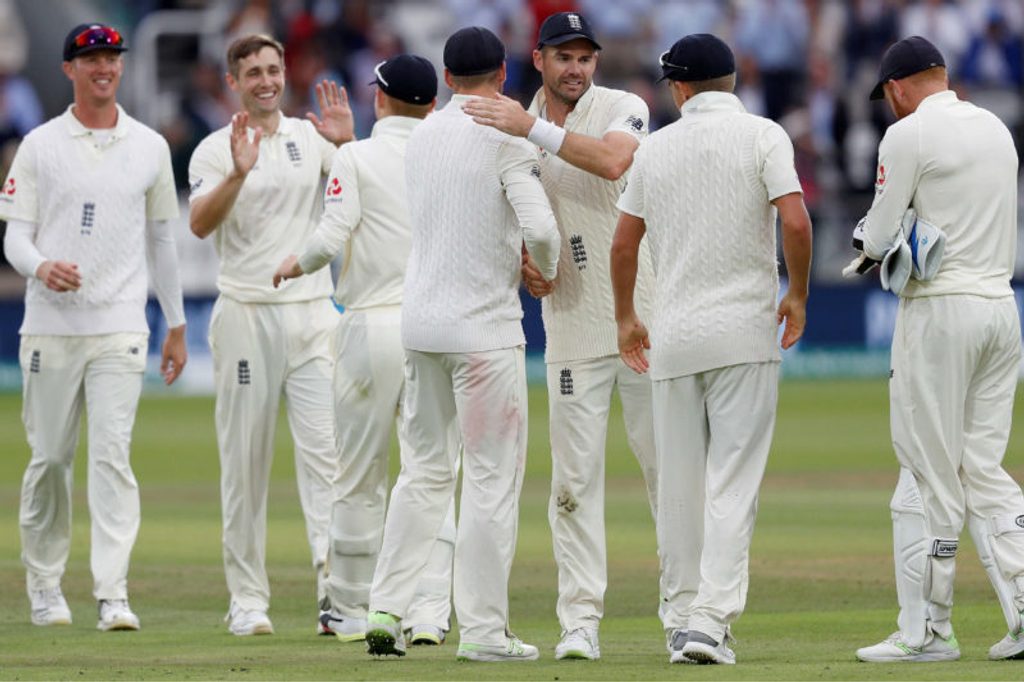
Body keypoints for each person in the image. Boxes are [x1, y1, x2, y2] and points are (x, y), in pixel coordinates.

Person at [611, 33, 812, 665]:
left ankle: (680, 617)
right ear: (733, 80)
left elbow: (623, 245)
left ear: (678, 87)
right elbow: (797, 220)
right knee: (731, 485)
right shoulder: (763, 134)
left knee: (679, 487)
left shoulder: (654, 148)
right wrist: (799, 295)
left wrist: (625, 320)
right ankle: (709, 623)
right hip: (744, 336)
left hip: (673, 337)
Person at [463, 10, 658, 661]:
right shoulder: (514, 124)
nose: (576, 68)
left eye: (585, 57)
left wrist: (533, 128)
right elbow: (514, 216)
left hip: (641, 325)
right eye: (564, 57)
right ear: (539, 60)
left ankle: (691, 615)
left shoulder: (621, 105)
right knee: (573, 488)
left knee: (670, 477)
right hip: (572, 329)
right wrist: (529, 266)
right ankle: (580, 623)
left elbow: (610, 163)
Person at [363, 26, 560, 662]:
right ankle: (482, 631)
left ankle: (386, 609)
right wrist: (543, 270)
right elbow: (542, 227)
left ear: (447, 79)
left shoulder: (422, 137)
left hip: (421, 327)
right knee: (489, 483)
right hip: (483, 333)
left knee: (421, 474)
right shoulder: (506, 136)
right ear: (503, 75)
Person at [0, 23, 187, 631]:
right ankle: (46, 587)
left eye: (111, 58)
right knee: (50, 459)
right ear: (69, 70)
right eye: (91, 59)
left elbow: (163, 239)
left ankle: (113, 593)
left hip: (120, 325)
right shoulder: (39, 145)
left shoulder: (149, 146)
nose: (104, 67)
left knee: (111, 459)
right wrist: (41, 265)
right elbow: (15, 236)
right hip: (50, 327)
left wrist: (177, 324)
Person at [272, 54, 459, 646]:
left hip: (370, 328)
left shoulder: (355, 156)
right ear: (431, 104)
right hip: (434, 326)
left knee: (357, 476)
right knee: (432, 473)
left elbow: (332, 235)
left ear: (379, 100)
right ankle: (429, 610)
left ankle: (351, 610)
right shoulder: (446, 155)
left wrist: (293, 263)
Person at [852, 35, 1024, 663]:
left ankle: (928, 630)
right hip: (1002, 310)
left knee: (926, 476)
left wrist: (867, 248)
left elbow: (877, 231)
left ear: (898, 87)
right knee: (983, 468)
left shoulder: (908, 134)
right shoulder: (996, 128)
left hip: (940, 312)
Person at [187, 33, 354, 636]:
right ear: (232, 82)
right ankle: (248, 601)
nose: (265, 80)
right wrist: (237, 174)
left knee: (326, 459)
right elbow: (200, 225)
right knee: (245, 462)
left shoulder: (312, 139)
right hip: (246, 314)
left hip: (312, 314)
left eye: (273, 69)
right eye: (252, 71)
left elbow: (361, 200)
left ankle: (335, 596)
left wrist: (348, 145)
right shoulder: (214, 149)